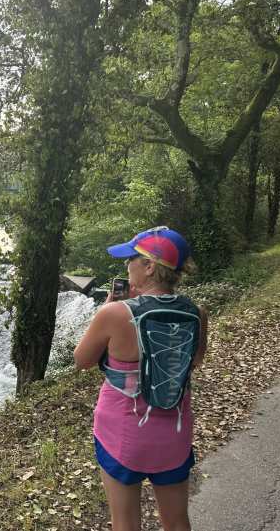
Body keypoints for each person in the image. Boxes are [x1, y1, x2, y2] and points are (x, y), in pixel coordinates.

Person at [74, 227, 208, 531]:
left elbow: (82, 361)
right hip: (174, 432)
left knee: (125, 522)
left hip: (122, 433)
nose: (127, 265)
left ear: (149, 266)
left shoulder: (114, 314)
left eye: (132, 259)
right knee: (176, 521)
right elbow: (194, 362)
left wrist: (109, 307)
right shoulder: (197, 312)